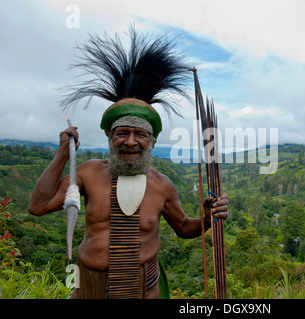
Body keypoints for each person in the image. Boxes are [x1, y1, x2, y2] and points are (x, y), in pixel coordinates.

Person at [27, 26, 228, 299]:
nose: (131, 142)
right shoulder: (87, 173)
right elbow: (38, 206)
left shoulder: (162, 186)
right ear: (110, 137)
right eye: (122, 133)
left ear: (152, 141)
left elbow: (183, 228)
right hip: (88, 286)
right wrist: (63, 153)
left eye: (140, 134)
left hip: (143, 288)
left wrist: (207, 218)